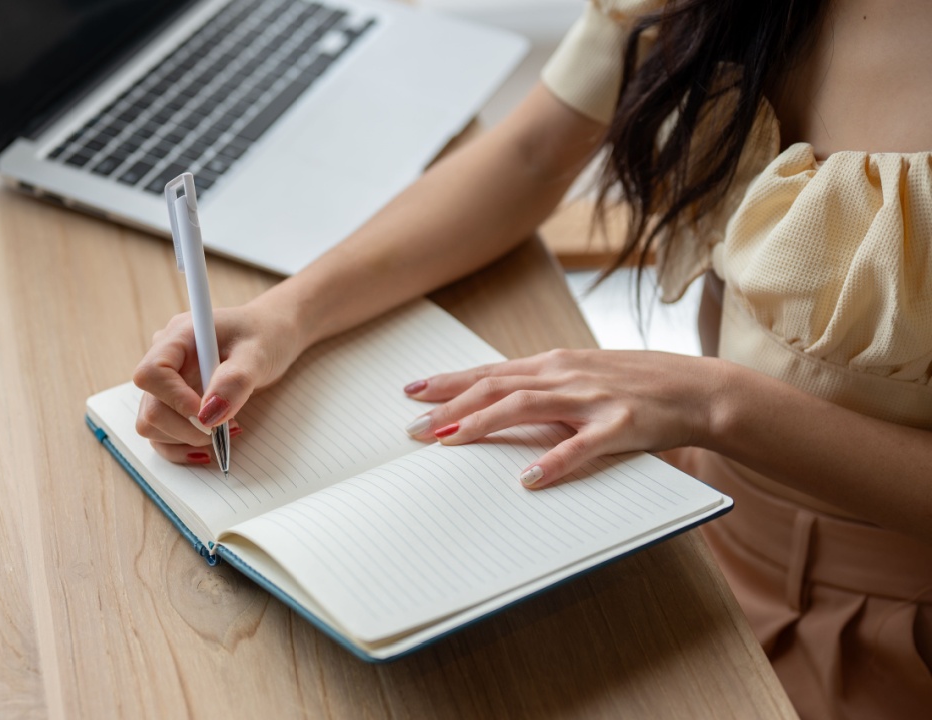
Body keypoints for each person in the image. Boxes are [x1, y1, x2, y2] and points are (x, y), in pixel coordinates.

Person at [131, 1, 932, 716]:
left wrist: (717, 403)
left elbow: (721, 403)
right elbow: (530, 155)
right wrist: (284, 315)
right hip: (691, 518)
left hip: (895, 629)